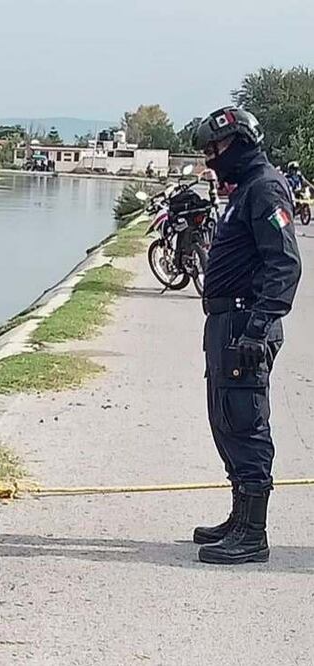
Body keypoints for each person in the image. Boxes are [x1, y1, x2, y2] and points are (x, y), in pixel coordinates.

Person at [192, 107, 302, 565]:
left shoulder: (265, 187)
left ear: (238, 142)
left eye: (215, 149)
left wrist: (259, 327)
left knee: (246, 421)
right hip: (226, 322)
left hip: (245, 324)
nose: (211, 159)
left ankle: (253, 534)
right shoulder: (244, 189)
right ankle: (239, 517)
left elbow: (284, 264)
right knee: (226, 420)